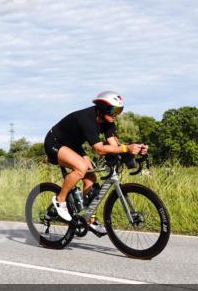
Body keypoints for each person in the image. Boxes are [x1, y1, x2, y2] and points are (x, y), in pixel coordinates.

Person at [44, 91, 148, 221]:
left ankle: (88, 218)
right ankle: (60, 200)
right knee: (81, 168)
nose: (116, 114)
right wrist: (127, 148)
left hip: (73, 146)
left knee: (91, 178)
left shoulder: (109, 122)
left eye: (119, 110)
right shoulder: (87, 118)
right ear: (103, 108)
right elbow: (99, 149)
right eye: (113, 110)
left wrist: (135, 150)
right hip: (55, 142)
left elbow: (115, 146)